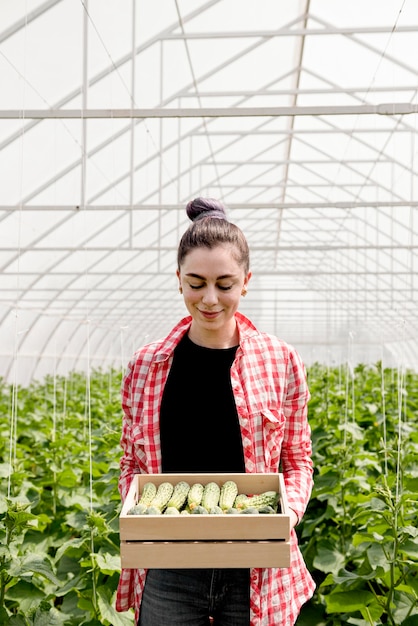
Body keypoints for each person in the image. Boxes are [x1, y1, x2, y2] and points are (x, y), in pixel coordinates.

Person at [116, 197, 315, 625]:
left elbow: (298, 461)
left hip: (256, 567)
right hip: (169, 567)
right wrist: (139, 512)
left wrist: (285, 513)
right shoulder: (146, 366)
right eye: (196, 283)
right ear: (178, 280)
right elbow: (131, 461)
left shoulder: (280, 361)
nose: (209, 299)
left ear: (246, 282)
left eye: (225, 285)